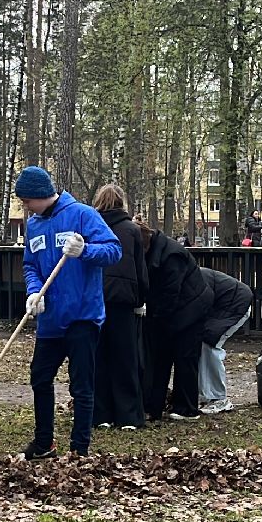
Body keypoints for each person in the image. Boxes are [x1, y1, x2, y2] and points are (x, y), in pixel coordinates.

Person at [15, 166, 120, 460]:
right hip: (51, 318)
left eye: (27, 200)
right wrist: (34, 292)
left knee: (81, 384)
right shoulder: (34, 224)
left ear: (41, 194)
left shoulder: (83, 215)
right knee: (40, 377)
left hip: (82, 315)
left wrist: (85, 250)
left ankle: (79, 448)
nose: (25, 206)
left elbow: (113, 250)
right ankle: (44, 442)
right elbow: (30, 265)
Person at [88, 184, 149, 431]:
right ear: (122, 203)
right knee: (126, 357)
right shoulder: (131, 230)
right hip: (123, 300)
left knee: (98, 357)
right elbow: (140, 270)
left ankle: (101, 413)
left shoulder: (91, 227)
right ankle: (129, 415)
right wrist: (140, 299)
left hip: (95, 298)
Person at [140, 224, 210, 422]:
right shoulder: (161, 252)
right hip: (176, 308)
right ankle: (156, 406)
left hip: (190, 310)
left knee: (184, 359)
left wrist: (156, 318)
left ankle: (186, 408)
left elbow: (171, 293)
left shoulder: (172, 256)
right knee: (162, 359)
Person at [195, 267, 253, 414]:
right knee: (203, 344)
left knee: (210, 343)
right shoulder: (191, 274)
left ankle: (219, 399)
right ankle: (207, 395)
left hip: (236, 304)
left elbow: (201, 304)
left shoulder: (195, 278)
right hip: (228, 303)